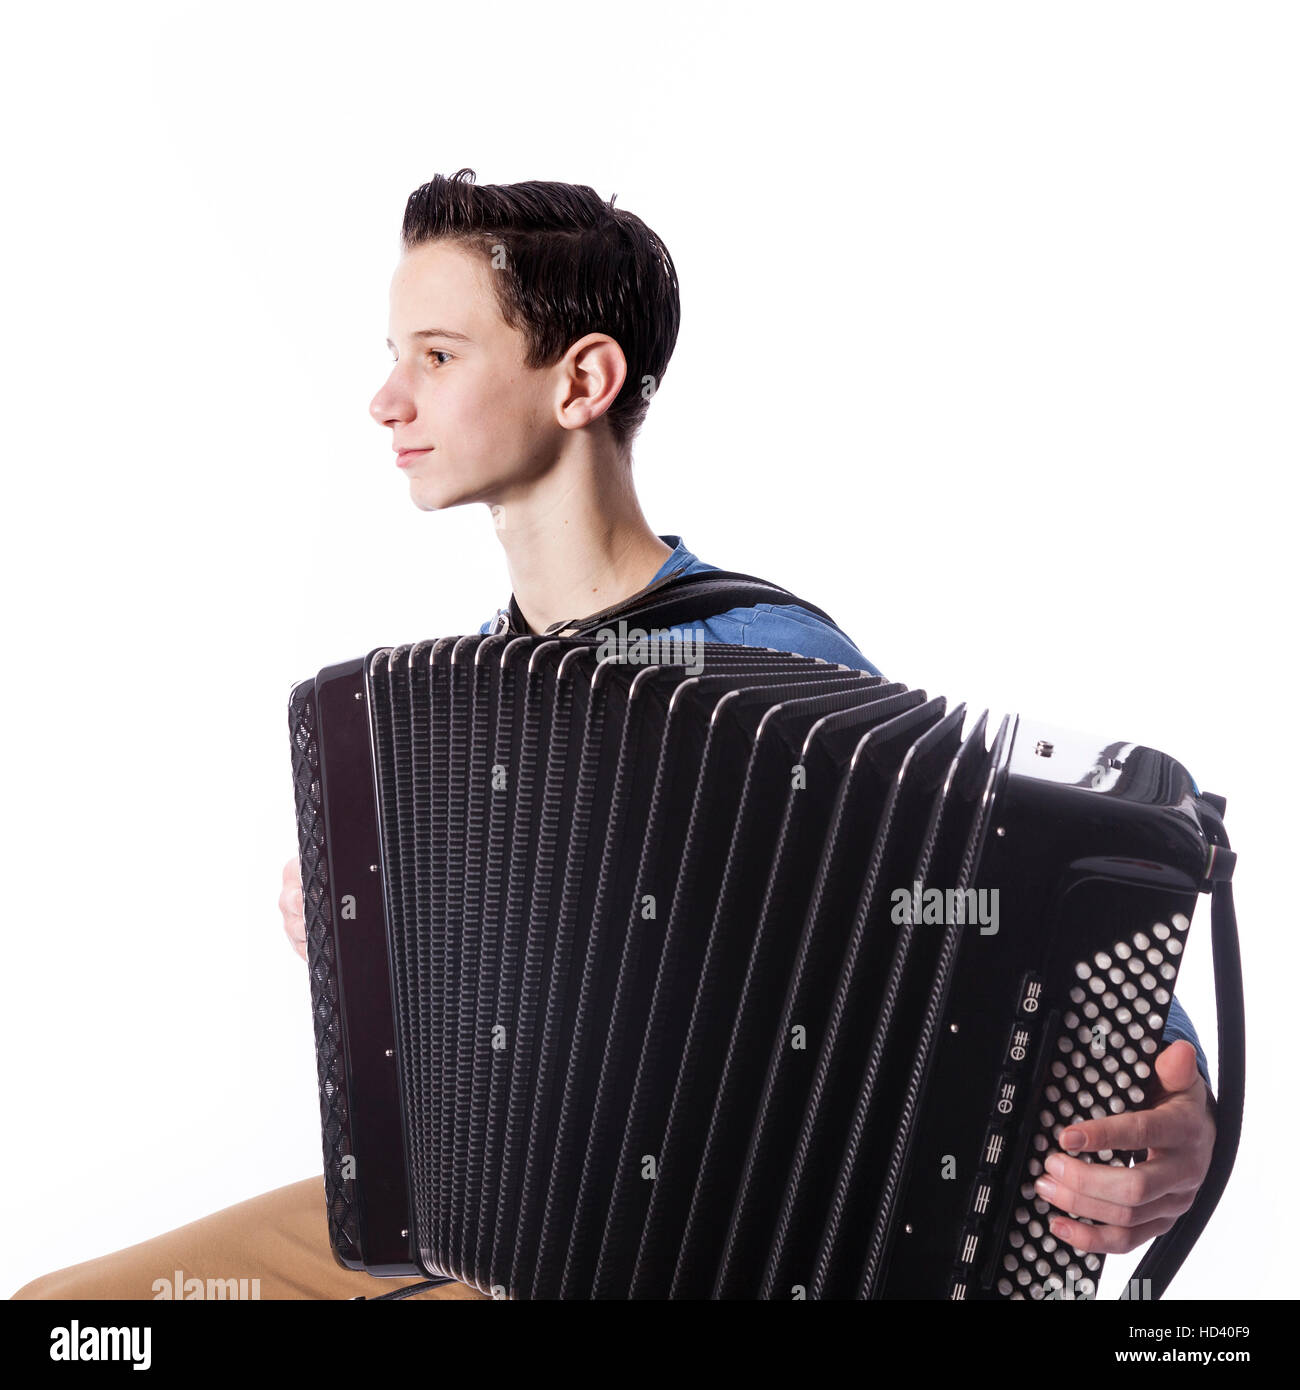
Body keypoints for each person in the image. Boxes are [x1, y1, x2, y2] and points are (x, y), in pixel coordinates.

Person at [12, 170, 1216, 1302]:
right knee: (71, 1318)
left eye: (437, 356)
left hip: (682, 1261)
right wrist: (361, 924)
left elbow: (996, 906)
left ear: (581, 383)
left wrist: (1175, 1100)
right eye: (393, 357)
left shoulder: (758, 658)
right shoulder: (471, 696)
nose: (387, 399)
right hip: (477, 1222)